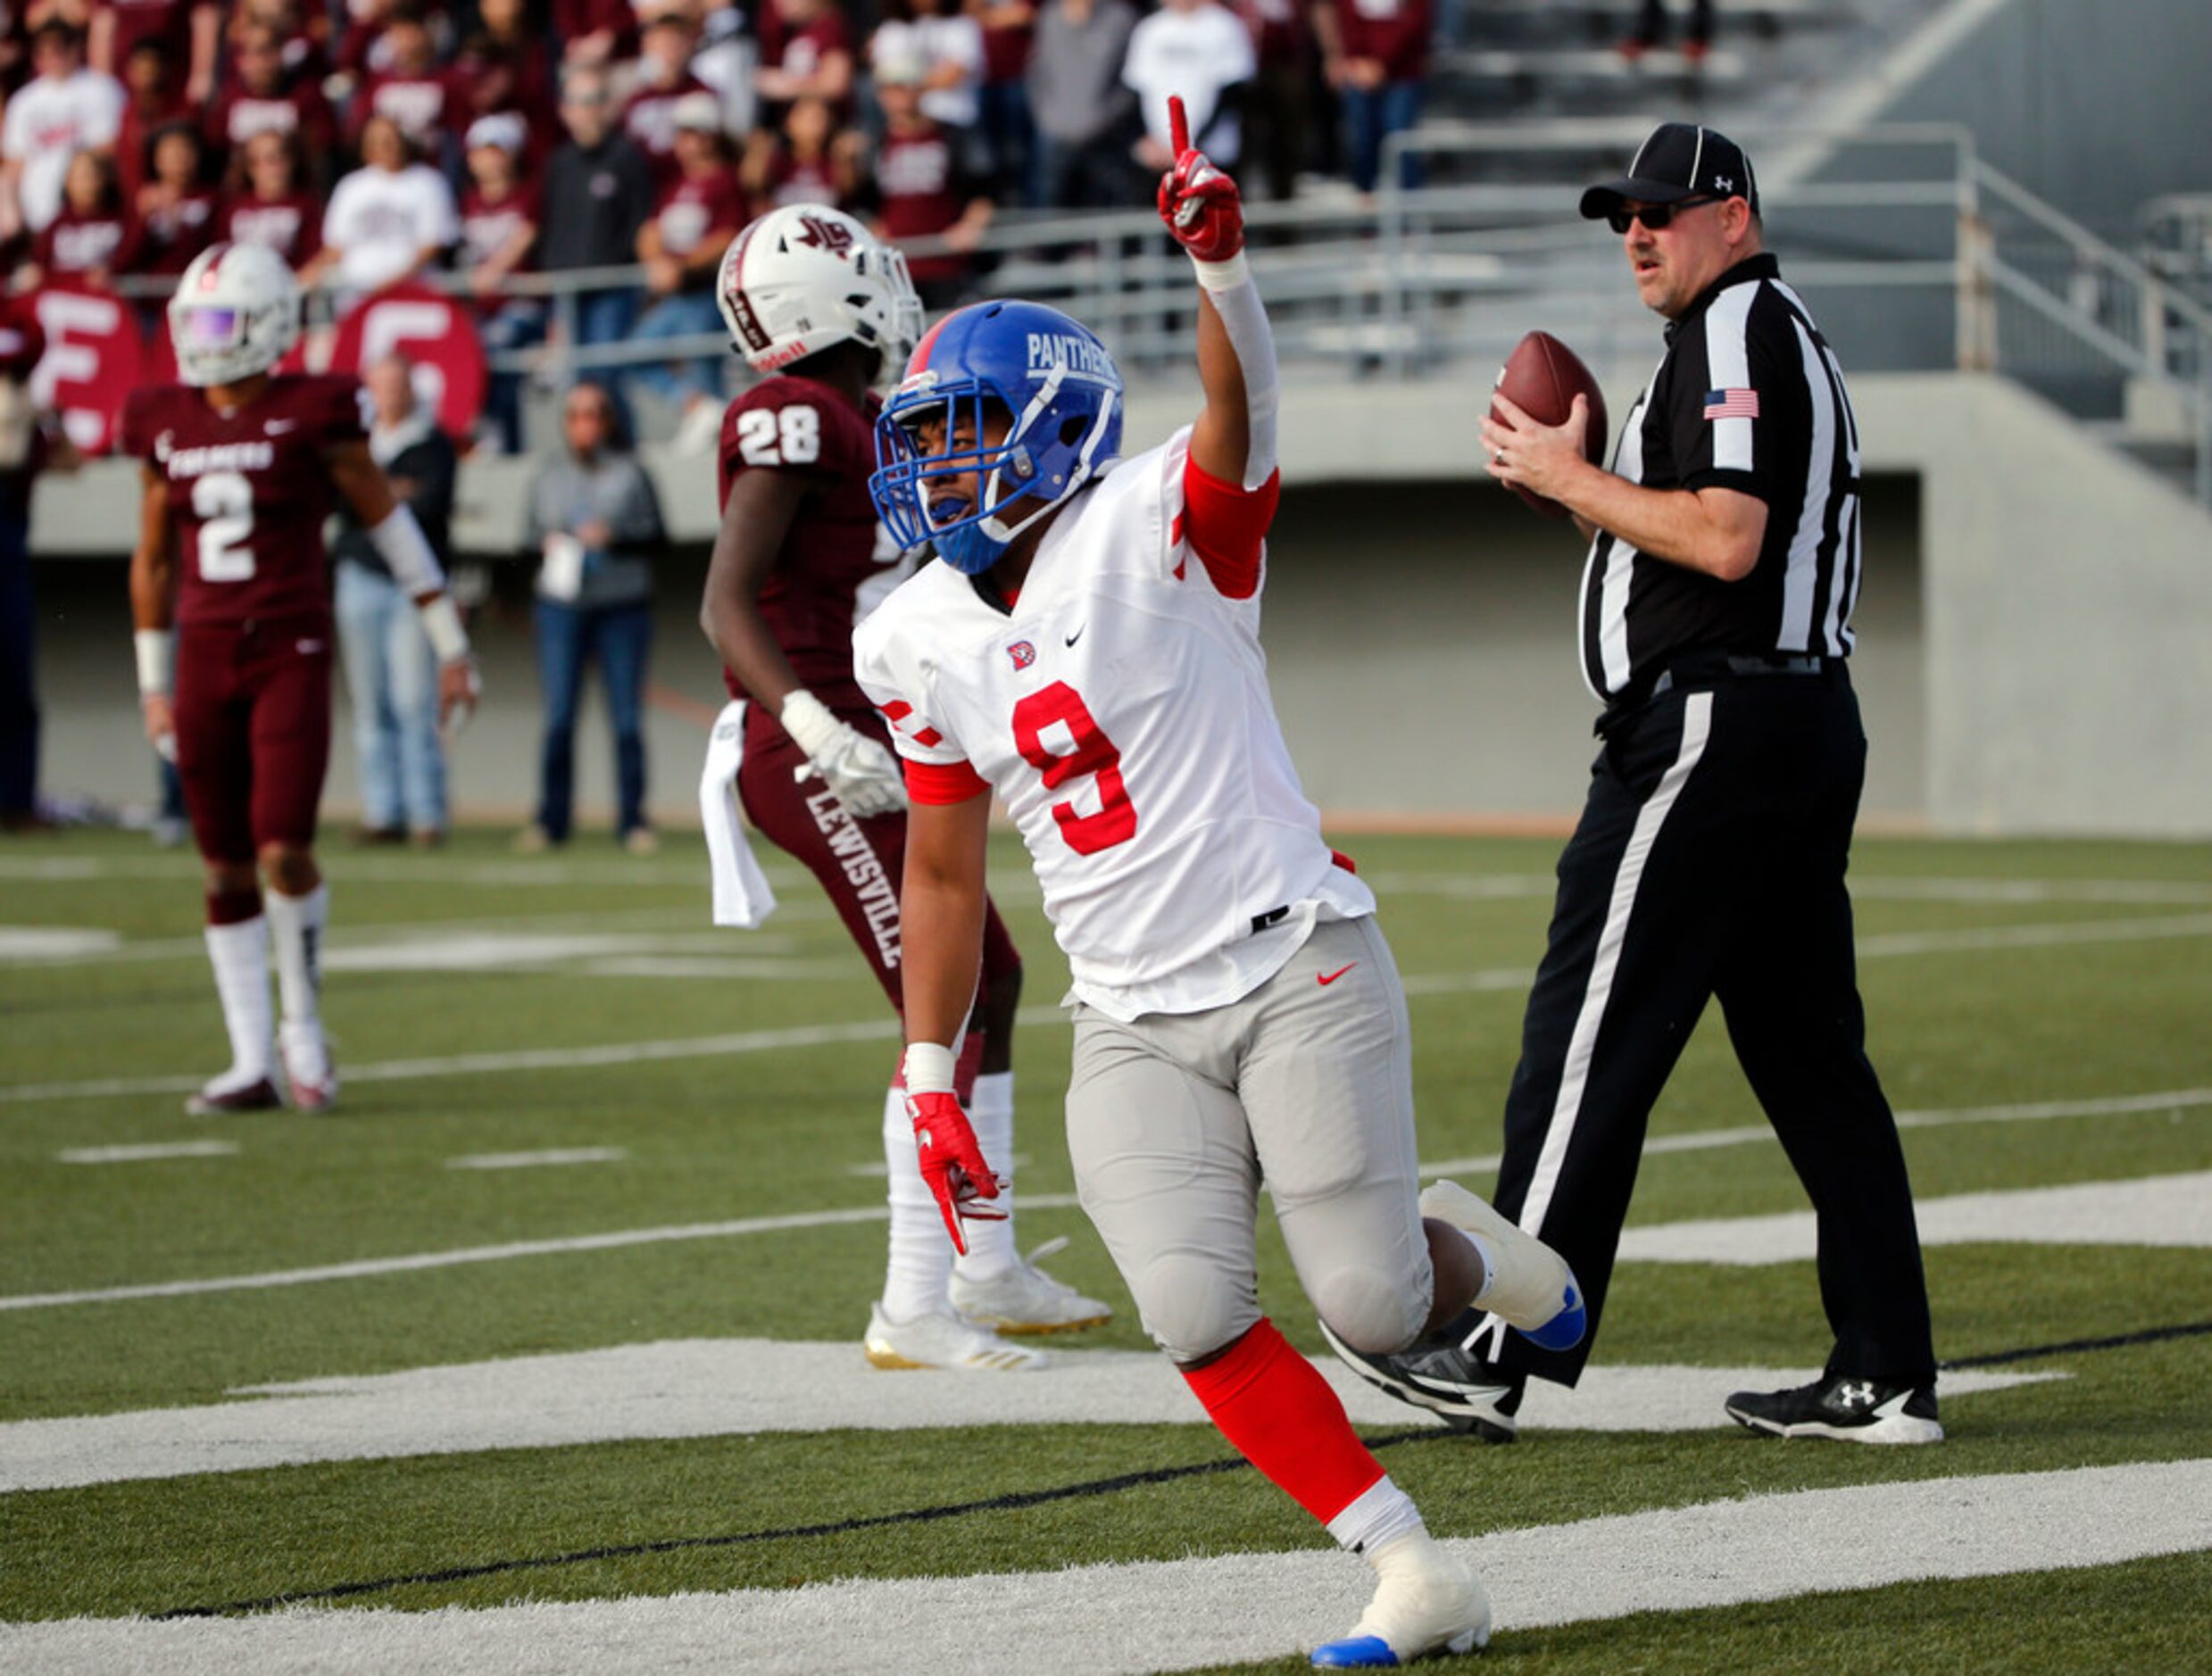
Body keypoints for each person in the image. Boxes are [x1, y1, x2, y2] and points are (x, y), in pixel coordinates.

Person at [852, 98, 1583, 1662]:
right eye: (919, 439)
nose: (935, 463)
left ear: (1051, 424)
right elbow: (937, 854)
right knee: (1192, 1308)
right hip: (1127, 1013)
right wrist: (927, 1068)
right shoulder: (906, 630)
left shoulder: (1153, 523)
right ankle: (1406, 1565)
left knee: (1376, 1308)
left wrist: (1226, 272)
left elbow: (1240, 425)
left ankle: (1477, 1248)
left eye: (963, 429)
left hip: (1289, 959)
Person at [1335, 122, 1942, 1447]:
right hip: (1786, 723)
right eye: (1621, 215)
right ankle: (1885, 1368)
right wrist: (1578, 496)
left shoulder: (1737, 330)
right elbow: (1703, 537)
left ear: (1734, 212)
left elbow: (1725, 542)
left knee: (1584, 1038)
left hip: (1717, 731)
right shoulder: (1750, 335)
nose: (1634, 233)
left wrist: (1568, 472)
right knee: (1808, 1060)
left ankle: (1495, 1344)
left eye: (1661, 211)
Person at [702, 202, 1110, 1371]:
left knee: (992, 976)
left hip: (875, 733)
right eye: (863, 268)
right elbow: (725, 602)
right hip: (817, 744)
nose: (888, 280)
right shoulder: (789, 417)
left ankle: (984, 1262)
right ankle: (913, 1301)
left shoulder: (855, 415)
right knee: (938, 1001)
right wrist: (812, 723)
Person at [124, 241, 478, 1113]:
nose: (204, 339)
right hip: (204, 650)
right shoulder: (165, 418)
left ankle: (303, 1027)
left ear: (271, 324)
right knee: (223, 865)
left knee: (283, 845)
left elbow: (388, 523)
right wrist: (152, 678)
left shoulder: (313, 410)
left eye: (220, 320)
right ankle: (250, 1060)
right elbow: (153, 559)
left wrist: (448, 641)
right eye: (194, 320)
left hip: (289, 643)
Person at [517, 380, 665, 855]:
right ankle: (551, 821)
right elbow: (523, 544)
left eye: (595, 414)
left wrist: (614, 538)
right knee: (559, 717)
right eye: (576, 415)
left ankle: (632, 820)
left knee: (625, 719)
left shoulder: (631, 472)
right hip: (561, 607)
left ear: (609, 420)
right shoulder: (547, 476)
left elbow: (658, 538)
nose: (586, 424)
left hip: (622, 605)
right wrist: (548, 547)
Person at [330, 353, 458, 846]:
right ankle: (383, 811)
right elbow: (345, 504)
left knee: (413, 701)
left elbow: (427, 506)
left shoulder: (432, 443)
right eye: (382, 386)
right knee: (370, 703)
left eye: (398, 385)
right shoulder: (355, 445)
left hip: (412, 586)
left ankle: (427, 814)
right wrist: (391, 495)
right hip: (360, 577)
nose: (391, 395)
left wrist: (375, 499)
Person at [625, 89, 742, 453]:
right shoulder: (674, 185)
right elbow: (650, 231)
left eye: (695, 132)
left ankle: (722, 437)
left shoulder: (726, 181)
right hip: (678, 294)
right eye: (682, 133)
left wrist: (683, 266)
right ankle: (699, 409)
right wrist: (657, 262)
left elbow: (729, 235)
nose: (687, 142)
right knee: (636, 353)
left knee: (702, 365)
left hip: (707, 291)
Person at [862, 54, 994, 312]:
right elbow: (863, 200)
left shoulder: (952, 136)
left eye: (905, 85)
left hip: (948, 267)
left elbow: (985, 189)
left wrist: (971, 225)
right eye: (891, 88)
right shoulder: (874, 144)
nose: (899, 95)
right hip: (896, 271)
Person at [303, 114, 457, 299]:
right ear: (366, 148)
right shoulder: (351, 187)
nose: (388, 147)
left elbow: (432, 245)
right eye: (379, 141)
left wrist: (391, 285)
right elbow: (335, 248)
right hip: (355, 292)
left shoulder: (429, 183)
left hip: (412, 291)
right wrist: (302, 279)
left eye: (392, 139)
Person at [0, 22, 124, 241]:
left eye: (59, 49)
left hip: (87, 211)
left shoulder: (102, 89)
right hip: (35, 212)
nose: (52, 57)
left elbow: (107, 151)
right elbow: (14, 164)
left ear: (76, 48)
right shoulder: (23, 101)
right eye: (44, 51)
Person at [1025, 0, 1138, 211]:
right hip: (1054, 134)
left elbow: (1131, 79)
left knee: (1104, 214)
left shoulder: (1120, 18)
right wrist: (1046, 118)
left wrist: (1106, 117)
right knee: (1048, 210)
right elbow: (1038, 73)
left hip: (1106, 136)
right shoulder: (1049, 17)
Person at [1121, 0, 1251, 178]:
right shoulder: (1150, 29)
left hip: (1211, 156)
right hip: (1159, 157)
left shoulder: (1225, 26)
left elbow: (1232, 92)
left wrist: (1191, 146)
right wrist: (1144, 139)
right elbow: (1135, 90)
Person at [1312, 0, 1427, 195]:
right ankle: (1365, 207)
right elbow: (1344, 16)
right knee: (1362, 142)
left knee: (1399, 141)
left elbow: (1416, 19)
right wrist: (1349, 59)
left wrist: (1382, 63)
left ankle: (1409, 211)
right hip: (1358, 70)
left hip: (1402, 72)